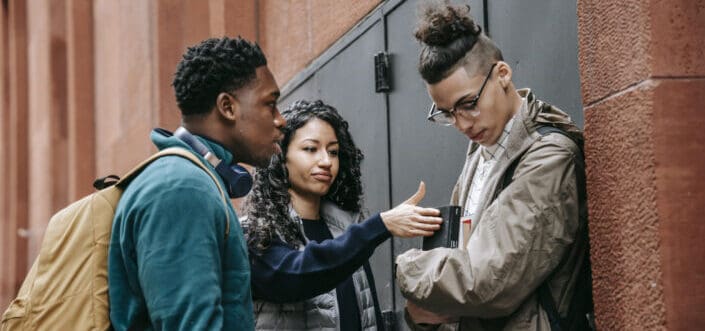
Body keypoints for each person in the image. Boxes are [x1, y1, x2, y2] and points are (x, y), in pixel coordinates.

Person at [395, 3, 592, 331]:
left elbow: (485, 280)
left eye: (468, 104)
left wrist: (407, 269)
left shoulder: (550, 157)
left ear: (503, 74)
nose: (461, 123)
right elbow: (458, 283)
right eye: (447, 113)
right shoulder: (479, 156)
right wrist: (425, 319)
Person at [108, 37, 286, 330]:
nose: (281, 120)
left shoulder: (188, 180)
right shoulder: (181, 189)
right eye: (270, 104)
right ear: (227, 107)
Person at [242, 99, 443, 330]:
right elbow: (298, 276)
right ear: (280, 156)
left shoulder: (345, 230)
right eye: (310, 149)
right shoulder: (255, 233)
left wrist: (415, 320)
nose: (326, 161)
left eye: (333, 151)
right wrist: (380, 225)